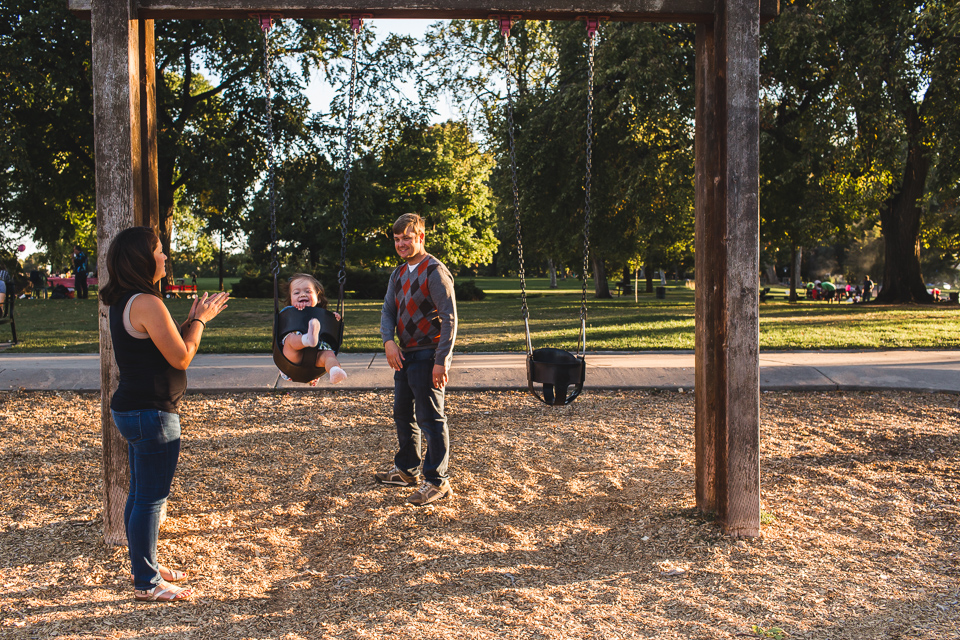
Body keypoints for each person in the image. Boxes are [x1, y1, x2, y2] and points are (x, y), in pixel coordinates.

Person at [98, 226, 229, 602]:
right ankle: (147, 582)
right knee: (150, 499)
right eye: (159, 250)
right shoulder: (146, 302)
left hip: (134, 410)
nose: (165, 256)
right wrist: (200, 322)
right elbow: (182, 356)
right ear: (143, 257)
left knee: (140, 495)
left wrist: (191, 319)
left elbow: (164, 346)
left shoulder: (127, 300)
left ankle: (145, 564)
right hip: (152, 414)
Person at [375, 213, 458, 506]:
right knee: (402, 413)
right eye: (397, 239)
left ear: (420, 237)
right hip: (405, 354)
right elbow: (387, 312)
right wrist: (388, 342)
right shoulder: (398, 274)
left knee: (430, 417)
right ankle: (407, 470)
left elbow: (449, 318)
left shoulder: (434, 271)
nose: (401, 244)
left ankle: (438, 481)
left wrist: (441, 361)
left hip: (428, 352)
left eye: (406, 238)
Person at [278, 273, 347, 385]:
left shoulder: (323, 316)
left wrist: (334, 318)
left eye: (308, 291)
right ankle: (307, 339)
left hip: (315, 357)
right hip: (292, 360)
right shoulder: (289, 312)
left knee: (329, 355)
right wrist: (298, 310)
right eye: (296, 292)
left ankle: (335, 371)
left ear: (318, 298)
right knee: (290, 339)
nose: (302, 295)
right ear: (291, 299)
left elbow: (332, 328)